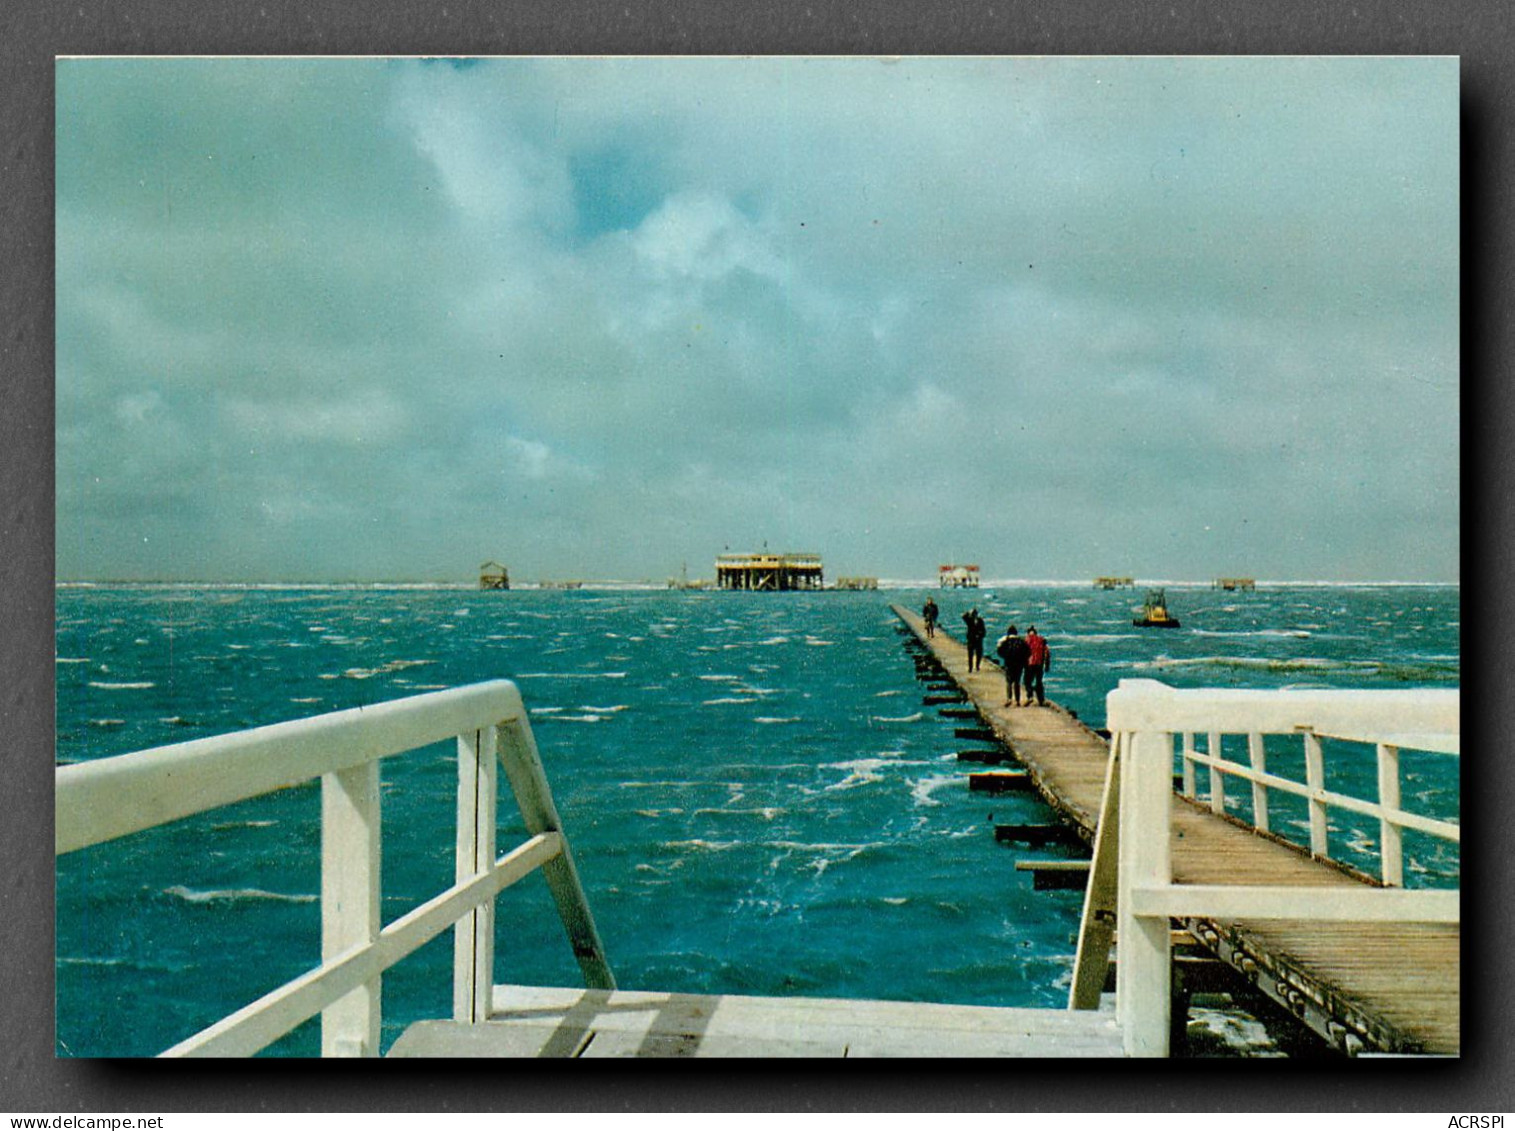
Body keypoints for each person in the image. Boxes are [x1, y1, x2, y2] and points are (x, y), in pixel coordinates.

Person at [995, 623, 1029, 706]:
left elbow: (999, 650)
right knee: (1017, 682)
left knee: (1009, 682)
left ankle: (1009, 699)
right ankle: (1017, 701)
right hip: (1019, 664)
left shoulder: (1006, 641)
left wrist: (1005, 657)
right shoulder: (1021, 641)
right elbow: (1028, 652)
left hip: (1009, 663)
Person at [1024, 625, 1050, 706]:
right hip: (1039, 664)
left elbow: (1023, 653)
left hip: (1030, 664)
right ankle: (1041, 700)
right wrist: (1047, 665)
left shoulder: (1026, 640)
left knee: (1027, 681)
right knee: (1039, 682)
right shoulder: (1041, 640)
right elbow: (1047, 653)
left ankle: (1030, 695)